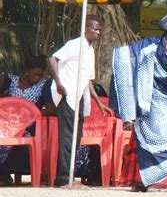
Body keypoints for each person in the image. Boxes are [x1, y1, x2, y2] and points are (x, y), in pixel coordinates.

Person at [112, 15, 167, 192]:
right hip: (165, 104)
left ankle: (139, 182)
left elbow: (127, 58)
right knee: (164, 141)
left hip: (147, 100)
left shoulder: (150, 45)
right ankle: (157, 183)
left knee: (143, 142)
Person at [48, 14, 113, 187]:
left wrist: (99, 103)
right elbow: (52, 59)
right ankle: (63, 179)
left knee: (76, 138)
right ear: (85, 28)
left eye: (99, 29)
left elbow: (88, 81)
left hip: (79, 97)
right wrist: (59, 83)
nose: (98, 32)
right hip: (67, 94)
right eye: (94, 28)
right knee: (68, 138)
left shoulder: (90, 51)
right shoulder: (75, 45)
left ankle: (69, 177)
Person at [0, 55, 55, 185]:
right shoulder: (8, 80)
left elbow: (52, 109)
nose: (37, 78)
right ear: (27, 70)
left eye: (40, 75)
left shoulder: (44, 85)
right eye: (34, 74)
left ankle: (5, 172)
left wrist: (33, 114)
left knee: (25, 137)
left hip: (27, 126)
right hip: (4, 124)